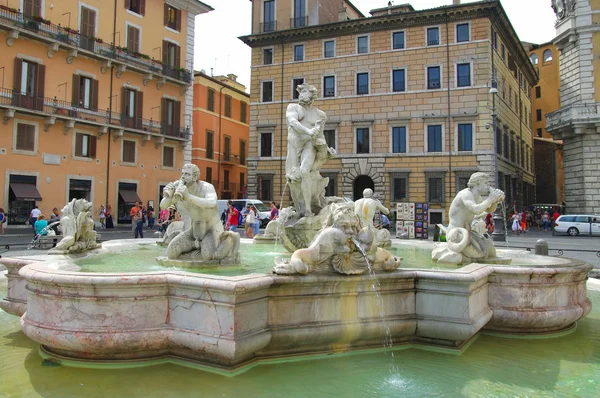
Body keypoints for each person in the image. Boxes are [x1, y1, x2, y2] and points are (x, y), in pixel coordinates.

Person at [285, 82, 333, 217]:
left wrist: (326, 148)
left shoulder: (319, 114)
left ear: (312, 95)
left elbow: (320, 134)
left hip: (309, 145)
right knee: (293, 180)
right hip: (294, 147)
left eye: (304, 92)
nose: (301, 94)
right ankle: (300, 208)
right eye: (300, 92)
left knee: (304, 171)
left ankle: (307, 209)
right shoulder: (293, 107)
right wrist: (308, 130)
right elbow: (293, 123)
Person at [159, 163, 224, 260]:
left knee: (207, 256)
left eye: (187, 174)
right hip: (194, 230)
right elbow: (163, 206)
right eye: (183, 174)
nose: (183, 177)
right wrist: (168, 197)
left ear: (195, 177)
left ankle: (228, 241)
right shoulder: (178, 186)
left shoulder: (206, 187)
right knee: (171, 252)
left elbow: (212, 203)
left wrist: (188, 197)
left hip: (211, 229)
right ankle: (195, 246)